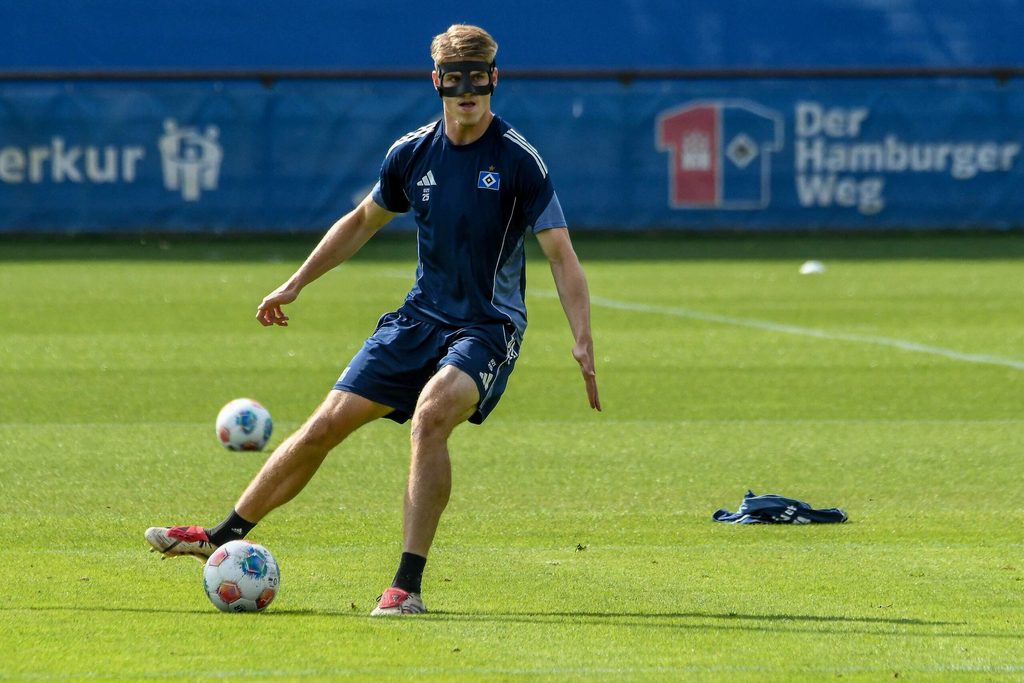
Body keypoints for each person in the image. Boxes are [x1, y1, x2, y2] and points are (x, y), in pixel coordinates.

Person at [145, 23, 601, 616]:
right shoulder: (411, 153)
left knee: (430, 417)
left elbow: (561, 254)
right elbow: (362, 221)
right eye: (455, 79)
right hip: (417, 320)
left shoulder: (519, 160)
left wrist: (582, 338)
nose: (467, 91)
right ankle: (222, 534)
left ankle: (406, 587)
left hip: (487, 328)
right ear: (436, 81)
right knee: (324, 426)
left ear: (495, 79)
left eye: (478, 79)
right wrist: (296, 282)